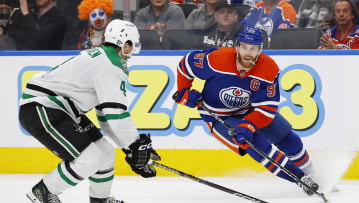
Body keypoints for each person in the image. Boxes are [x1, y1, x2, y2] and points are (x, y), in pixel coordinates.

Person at [19, 19, 160, 203]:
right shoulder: (111, 63)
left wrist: (130, 149)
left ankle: (100, 200)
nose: (132, 51)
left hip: (59, 109)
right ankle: (43, 193)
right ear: (125, 44)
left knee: (106, 154)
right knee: (91, 158)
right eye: (132, 46)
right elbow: (115, 114)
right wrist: (134, 146)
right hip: (42, 108)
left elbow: (106, 116)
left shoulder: (104, 58)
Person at [173, 27, 320, 196]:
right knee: (258, 146)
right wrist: (184, 91)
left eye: (253, 48)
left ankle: (314, 177)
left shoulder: (269, 68)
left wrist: (249, 124)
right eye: (244, 47)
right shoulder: (217, 59)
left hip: (249, 110)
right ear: (237, 46)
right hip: (218, 116)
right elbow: (186, 65)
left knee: (287, 138)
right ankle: (300, 179)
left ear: (260, 49)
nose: (247, 52)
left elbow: (267, 107)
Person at [0, 0, 67, 50]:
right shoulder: (34, 17)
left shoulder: (58, 19)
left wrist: (26, 12)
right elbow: (21, 36)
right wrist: (4, 32)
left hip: (49, 63)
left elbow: (40, 39)